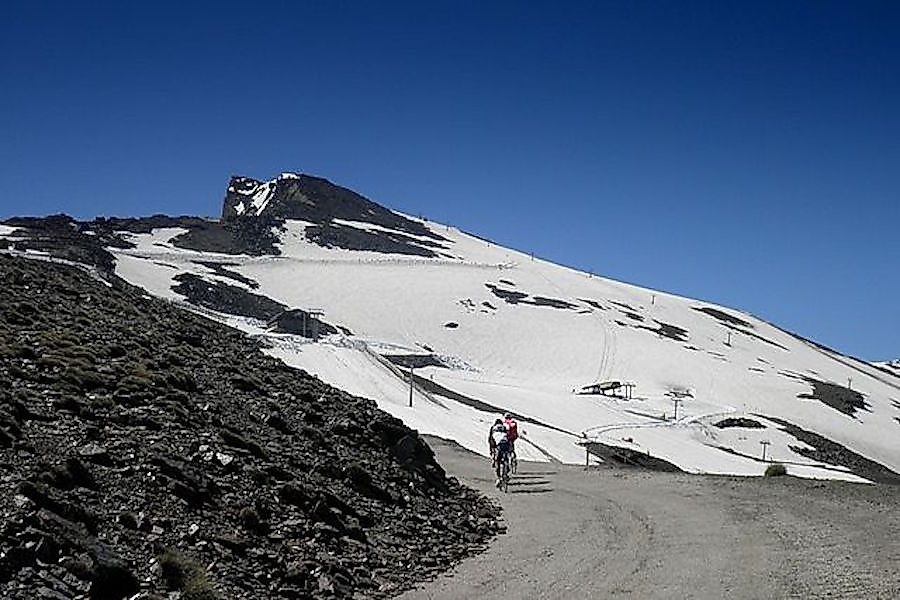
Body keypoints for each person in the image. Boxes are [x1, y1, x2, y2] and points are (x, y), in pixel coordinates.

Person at [488, 418, 511, 488]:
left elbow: (491, 440)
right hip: (506, 444)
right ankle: (507, 471)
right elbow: (508, 436)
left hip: (499, 445)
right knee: (506, 459)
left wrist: (492, 450)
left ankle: (499, 478)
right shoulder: (504, 427)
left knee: (497, 461)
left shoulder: (493, 428)